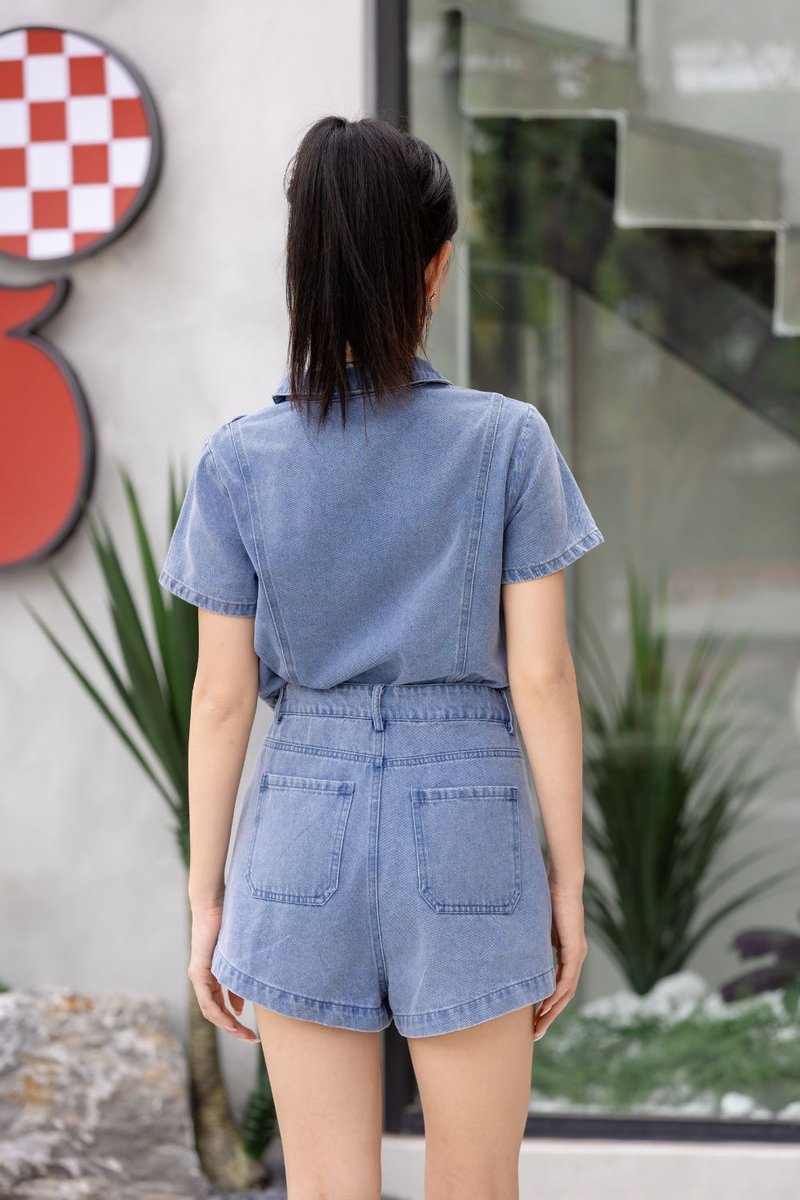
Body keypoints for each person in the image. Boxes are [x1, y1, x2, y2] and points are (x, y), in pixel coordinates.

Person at [159, 114, 604, 1200]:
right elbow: (543, 679)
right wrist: (567, 881)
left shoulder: (238, 461)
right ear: (435, 269)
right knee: (475, 1181)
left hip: (300, 815)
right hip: (471, 814)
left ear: (301, 271)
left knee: (322, 1186)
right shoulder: (506, 441)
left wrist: (207, 903)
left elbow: (220, 702)